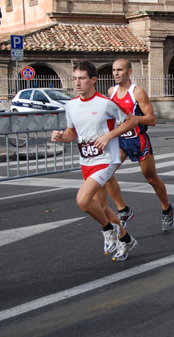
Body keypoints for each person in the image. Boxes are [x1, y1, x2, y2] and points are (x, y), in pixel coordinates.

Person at [50, 61, 139, 261]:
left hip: (106, 159)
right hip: (86, 161)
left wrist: (109, 136)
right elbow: (72, 134)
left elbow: (131, 120)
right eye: (75, 79)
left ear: (93, 80)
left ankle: (108, 230)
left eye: (82, 78)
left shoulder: (104, 103)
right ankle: (125, 239)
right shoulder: (71, 105)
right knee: (101, 206)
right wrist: (60, 137)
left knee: (82, 200)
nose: (77, 83)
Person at [105, 58, 174, 231]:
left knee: (151, 178)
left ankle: (167, 208)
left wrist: (134, 119)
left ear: (129, 72)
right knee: (105, 174)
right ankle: (123, 209)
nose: (116, 73)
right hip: (120, 141)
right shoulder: (111, 91)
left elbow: (152, 119)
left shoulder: (137, 92)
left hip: (138, 140)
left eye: (120, 70)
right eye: (114, 70)